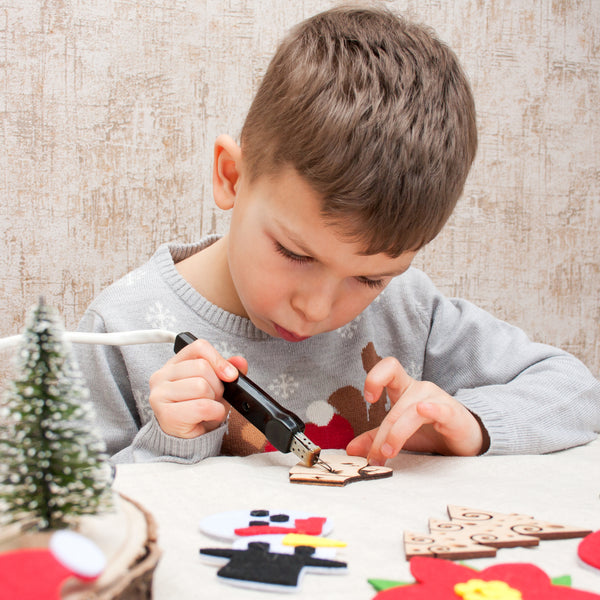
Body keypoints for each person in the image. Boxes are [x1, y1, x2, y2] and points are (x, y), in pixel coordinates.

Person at [75, 5, 600, 465]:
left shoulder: (412, 314)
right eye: (295, 253)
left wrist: (472, 424)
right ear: (231, 176)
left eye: (370, 279)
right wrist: (167, 444)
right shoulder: (120, 330)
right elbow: (63, 520)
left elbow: (577, 394)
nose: (317, 308)